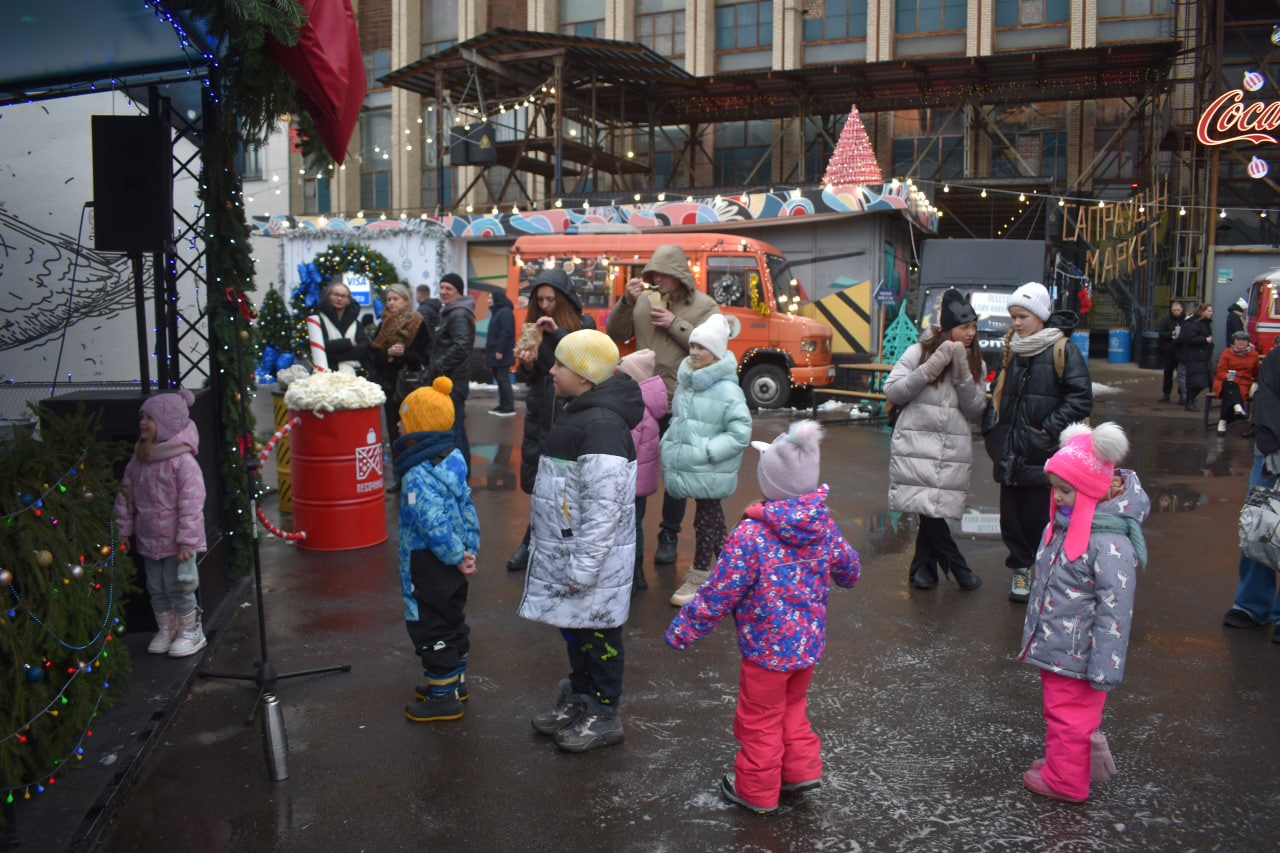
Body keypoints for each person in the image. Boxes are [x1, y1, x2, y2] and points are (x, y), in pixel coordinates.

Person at [665, 420, 861, 815]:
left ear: (769, 483)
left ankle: (755, 790)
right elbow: (850, 571)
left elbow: (720, 591)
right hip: (807, 647)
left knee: (758, 719)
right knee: (792, 707)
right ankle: (800, 769)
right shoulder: (823, 525)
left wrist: (684, 629)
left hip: (765, 652)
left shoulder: (752, 535)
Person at [519, 329, 644, 752]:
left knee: (599, 637)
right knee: (576, 632)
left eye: (559, 365)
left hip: (592, 562)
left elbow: (604, 507)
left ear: (585, 375)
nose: (551, 371)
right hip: (570, 554)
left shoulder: (603, 425)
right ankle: (581, 696)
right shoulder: (581, 411)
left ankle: (605, 712)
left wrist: (585, 566)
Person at [1020, 422, 1148, 803]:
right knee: (1062, 714)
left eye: (1065, 490)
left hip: (1082, 653)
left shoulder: (1107, 543)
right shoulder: (1070, 524)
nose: (1057, 498)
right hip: (1061, 646)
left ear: (1092, 490)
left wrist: (1105, 667)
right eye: (1054, 489)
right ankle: (1064, 763)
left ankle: (1066, 782)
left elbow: (1116, 611)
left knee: (1071, 717)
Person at [606, 244, 721, 566]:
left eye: (663, 273)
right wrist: (626, 302)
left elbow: (713, 347)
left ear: (679, 274)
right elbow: (615, 332)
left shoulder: (704, 306)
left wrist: (674, 322)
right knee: (633, 470)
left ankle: (668, 534)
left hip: (680, 401)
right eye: (653, 273)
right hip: (639, 400)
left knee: (676, 475)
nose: (657, 278)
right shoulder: (643, 299)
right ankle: (630, 534)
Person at [982, 281, 1093, 604]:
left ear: (1041, 317)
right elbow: (999, 396)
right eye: (1013, 316)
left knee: (1041, 518)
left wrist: (1046, 431)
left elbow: (1080, 399)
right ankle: (1020, 568)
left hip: (1044, 453)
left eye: (1024, 316)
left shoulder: (1062, 349)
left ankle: (1046, 571)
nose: (1017, 323)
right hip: (1011, 452)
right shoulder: (1013, 349)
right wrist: (993, 431)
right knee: (1011, 518)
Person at [885, 289, 986, 592]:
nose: (971, 333)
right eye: (964, 327)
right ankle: (958, 567)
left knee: (931, 509)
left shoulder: (975, 360)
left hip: (950, 449)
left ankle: (922, 569)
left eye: (973, 327)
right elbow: (893, 391)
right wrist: (929, 369)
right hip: (917, 446)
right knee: (928, 509)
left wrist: (962, 376)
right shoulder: (918, 352)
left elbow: (976, 408)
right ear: (946, 328)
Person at [394, 376, 480, 722]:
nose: (397, 424)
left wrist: (454, 554)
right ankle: (454, 681)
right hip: (453, 558)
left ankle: (443, 697)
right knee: (451, 616)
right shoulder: (451, 459)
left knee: (430, 624)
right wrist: (466, 550)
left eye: (403, 418)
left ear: (417, 427)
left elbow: (432, 523)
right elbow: (466, 508)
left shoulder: (417, 473)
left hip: (427, 560)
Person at [660, 314, 753, 606]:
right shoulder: (688, 383)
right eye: (693, 346)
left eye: (702, 347)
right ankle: (733, 574)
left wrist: (709, 452)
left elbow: (740, 433)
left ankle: (700, 576)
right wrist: (669, 443)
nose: (695, 352)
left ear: (717, 351)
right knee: (711, 519)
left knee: (706, 519)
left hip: (710, 466)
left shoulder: (728, 390)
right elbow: (679, 421)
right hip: (691, 462)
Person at [507, 267, 593, 572]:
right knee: (541, 484)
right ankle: (532, 541)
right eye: (540, 300)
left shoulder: (585, 324)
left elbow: (583, 359)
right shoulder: (533, 327)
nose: (544, 306)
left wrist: (556, 331)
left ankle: (545, 543)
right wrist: (527, 364)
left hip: (573, 410)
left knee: (568, 484)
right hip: (542, 410)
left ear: (564, 299)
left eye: (551, 299)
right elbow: (526, 378)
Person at [113, 390, 207, 658]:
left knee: (180, 586)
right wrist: (123, 530)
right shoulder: (140, 459)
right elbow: (125, 496)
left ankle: (191, 632)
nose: (143, 423)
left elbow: (192, 503)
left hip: (177, 543)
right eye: (142, 417)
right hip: (148, 539)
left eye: (150, 418)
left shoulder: (183, 462)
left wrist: (187, 541)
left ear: (167, 424)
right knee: (156, 587)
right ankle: (167, 629)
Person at [1223, 345, 1280, 639]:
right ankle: (1251, 605)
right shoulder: (1277, 357)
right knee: (1259, 527)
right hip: (1272, 454)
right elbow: (1268, 400)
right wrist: (1272, 447)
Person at [617, 348, 668, 594]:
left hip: (630, 482)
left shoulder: (636, 410)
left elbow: (626, 448)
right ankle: (636, 574)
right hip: (641, 482)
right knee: (636, 524)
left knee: (631, 527)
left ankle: (635, 573)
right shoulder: (648, 406)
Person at [427, 273, 476, 477]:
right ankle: (460, 474)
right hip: (450, 379)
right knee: (454, 429)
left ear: (459, 292)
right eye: (442, 287)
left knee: (454, 431)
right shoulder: (449, 311)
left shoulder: (458, 314)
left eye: (449, 288)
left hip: (453, 380)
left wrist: (439, 366)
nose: (443, 292)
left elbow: (462, 345)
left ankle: (459, 475)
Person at [370, 283, 430, 442]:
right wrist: (387, 353)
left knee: (411, 426)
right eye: (389, 299)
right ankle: (398, 464)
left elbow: (425, 355)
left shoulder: (417, 322)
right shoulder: (383, 325)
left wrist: (404, 354)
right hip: (389, 384)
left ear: (405, 300)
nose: (391, 302)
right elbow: (374, 355)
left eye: (395, 299)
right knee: (393, 428)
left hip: (410, 383)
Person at [314, 280, 371, 374]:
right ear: (328, 297)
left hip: (354, 373)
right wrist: (347, 343)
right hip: (327, 373)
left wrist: (334, 356)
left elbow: (363, 349)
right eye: (336, 295)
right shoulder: (319, 320)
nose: (339, 298)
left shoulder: (356, 324)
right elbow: (322, 346)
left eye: (343, 296)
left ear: (349, 300)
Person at [1212, 330, 1260, 436]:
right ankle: (1238, 407)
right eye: (1238, 340)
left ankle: (1223, 421)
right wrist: (1226, 376)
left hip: (1244, 382)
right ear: (1234, 341)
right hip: (1225, 380)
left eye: (1244, 340)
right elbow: (1220, 370)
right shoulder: (1227, 352)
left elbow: (1256, 372)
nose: (1241, 342)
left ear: (1248, 342)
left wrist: (1258, 383)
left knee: (1230, 395)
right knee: (1229, 386)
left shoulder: (1253, 354)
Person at [484, 289, 517, 416]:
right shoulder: (499, 311)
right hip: (496, 351)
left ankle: (509, 407)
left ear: (497, 298)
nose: (488, 301)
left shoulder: (505, 312)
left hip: (501, 353)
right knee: (499, 378)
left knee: (503, 379)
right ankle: (503, 405)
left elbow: (506, 332)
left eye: (490, 298)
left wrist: (500, 350)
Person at [1179, 303, 1215, 412]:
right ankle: (1189, 401)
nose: (1211, 313)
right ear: (1202, 312)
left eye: (1211, 311)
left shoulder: (1204, 324)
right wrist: (1205, 340)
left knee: (1206, 381)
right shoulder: (1195, 324)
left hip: (1203, 357)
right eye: (1208, 311)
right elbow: (1190, 339)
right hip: (1195, 357)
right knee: (1197, 382)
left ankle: (1190, 401)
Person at [1157, 301, 1185, 403]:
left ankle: (1182, 395)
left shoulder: (1185, 321)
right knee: (1168, 372)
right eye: (1174, 310)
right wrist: (1170, 334)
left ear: (1182, 309)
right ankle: (1166, 394)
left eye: (1178, 310)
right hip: (1169, 350)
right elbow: (1161, 333)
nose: (1176, 312)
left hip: (1181, 350)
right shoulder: (1167, 320)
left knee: (1181, 374)